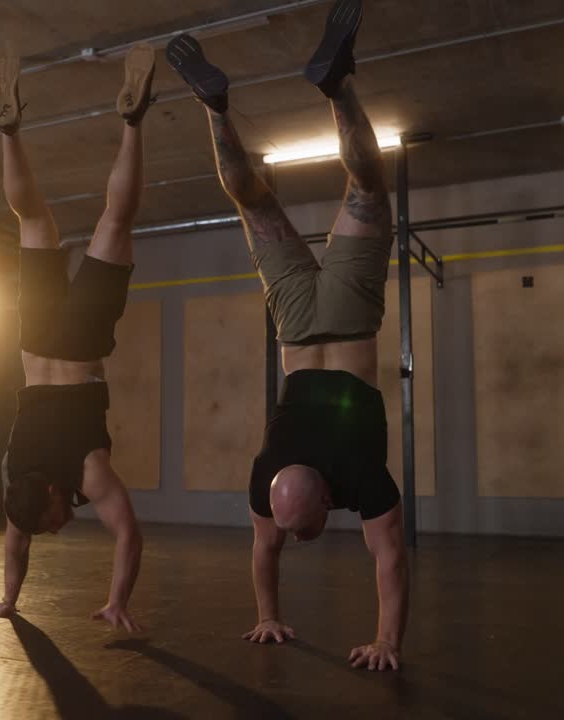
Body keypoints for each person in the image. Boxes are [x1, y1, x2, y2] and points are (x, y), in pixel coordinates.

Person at [167, 0, 409, 671]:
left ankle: (336, 86)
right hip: (296, 322)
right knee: (253, 200)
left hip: (347, 315)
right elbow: (266, 548)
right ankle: (215, 108)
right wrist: (266, 614)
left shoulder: (360, 479)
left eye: (306, 527)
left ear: (323, 499)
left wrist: (388, 642)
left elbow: (389, 559)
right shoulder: (263, 475)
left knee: (366, 186)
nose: (300, 537)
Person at [0, 45, 157, 633]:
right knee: (32, 221)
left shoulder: (84, 474)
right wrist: (9, 602)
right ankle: (10, 131)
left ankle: (133, 120)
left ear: (54, 491)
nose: (56, 526)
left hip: (78, 345)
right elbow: (15, 547)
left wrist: (119, 600)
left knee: (114, 224)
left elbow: (128, 532)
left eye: (51, 518)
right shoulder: (18, 483)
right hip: (34, 339)